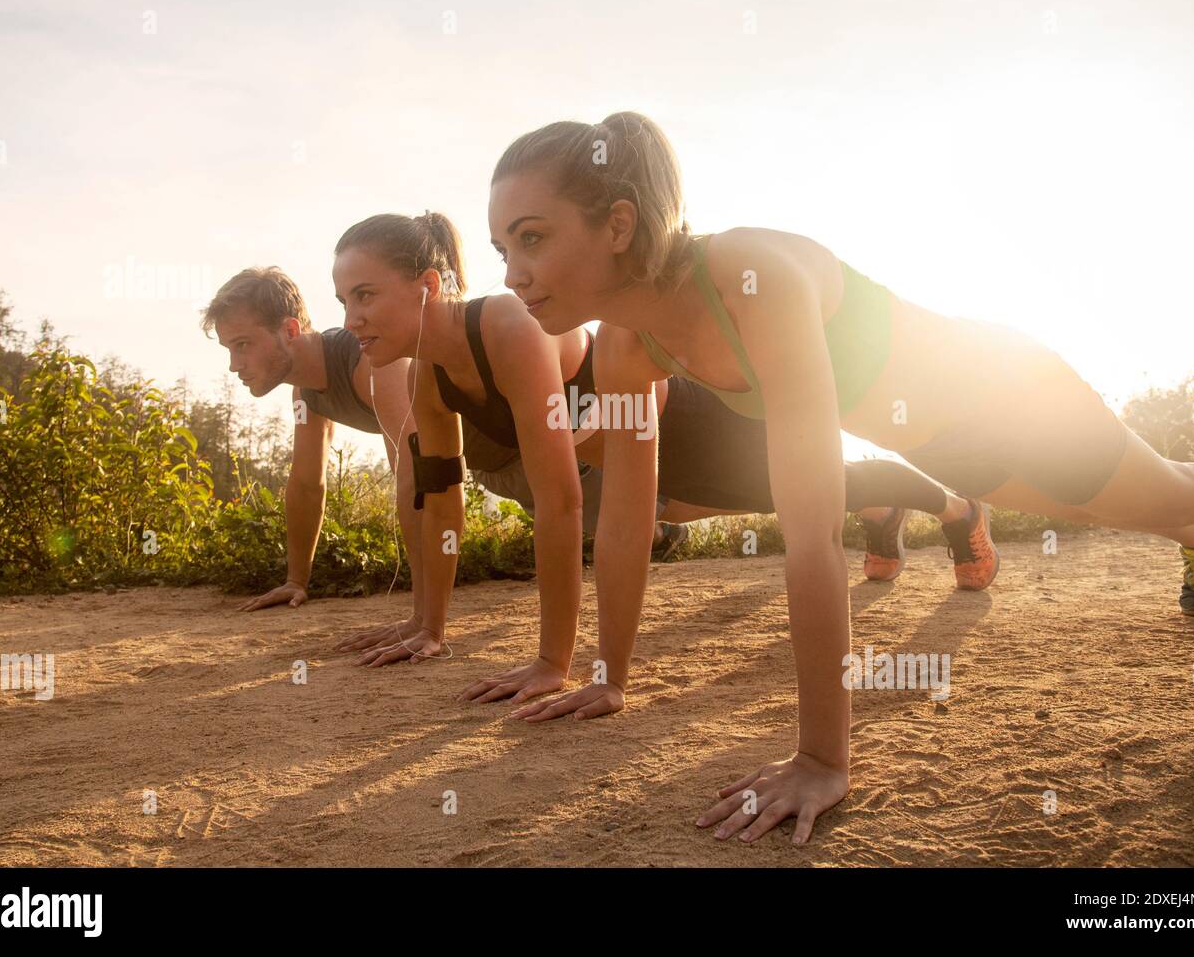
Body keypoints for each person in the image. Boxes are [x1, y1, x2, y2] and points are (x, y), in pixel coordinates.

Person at [485, 111, 1194, 844]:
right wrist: (609, 675)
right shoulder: (628, 346)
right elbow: (622, 518)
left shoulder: (751, 274)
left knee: (1168, 489)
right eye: (501, 250)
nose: (514, 274)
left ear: (617, 225)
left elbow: (813, 526)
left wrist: (822, 757)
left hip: (1012, 397)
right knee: (1113, 509)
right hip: (950, 451)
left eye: (532, 239)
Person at [329, 212, 995, 702]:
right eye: (343, 301)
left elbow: (559, 499)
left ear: (424, 285)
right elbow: (438, 497)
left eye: (365, 295)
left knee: (813, 484)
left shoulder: (505, 324)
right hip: (636, 469)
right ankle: (882, 514)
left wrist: (551, 661)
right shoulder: (429, 375)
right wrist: (429, 624)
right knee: (796, 493)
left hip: (685, 423)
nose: (352, 318)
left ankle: (959, 508)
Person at [201, 267, 432, 650]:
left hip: (521, 430)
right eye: (229, 349)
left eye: (242, 345)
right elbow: (307, 483)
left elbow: (417, 474)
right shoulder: (306, 392)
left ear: (290, 330)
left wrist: (423, 621)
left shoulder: (373, 360)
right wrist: (296, 580)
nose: (233, 365)